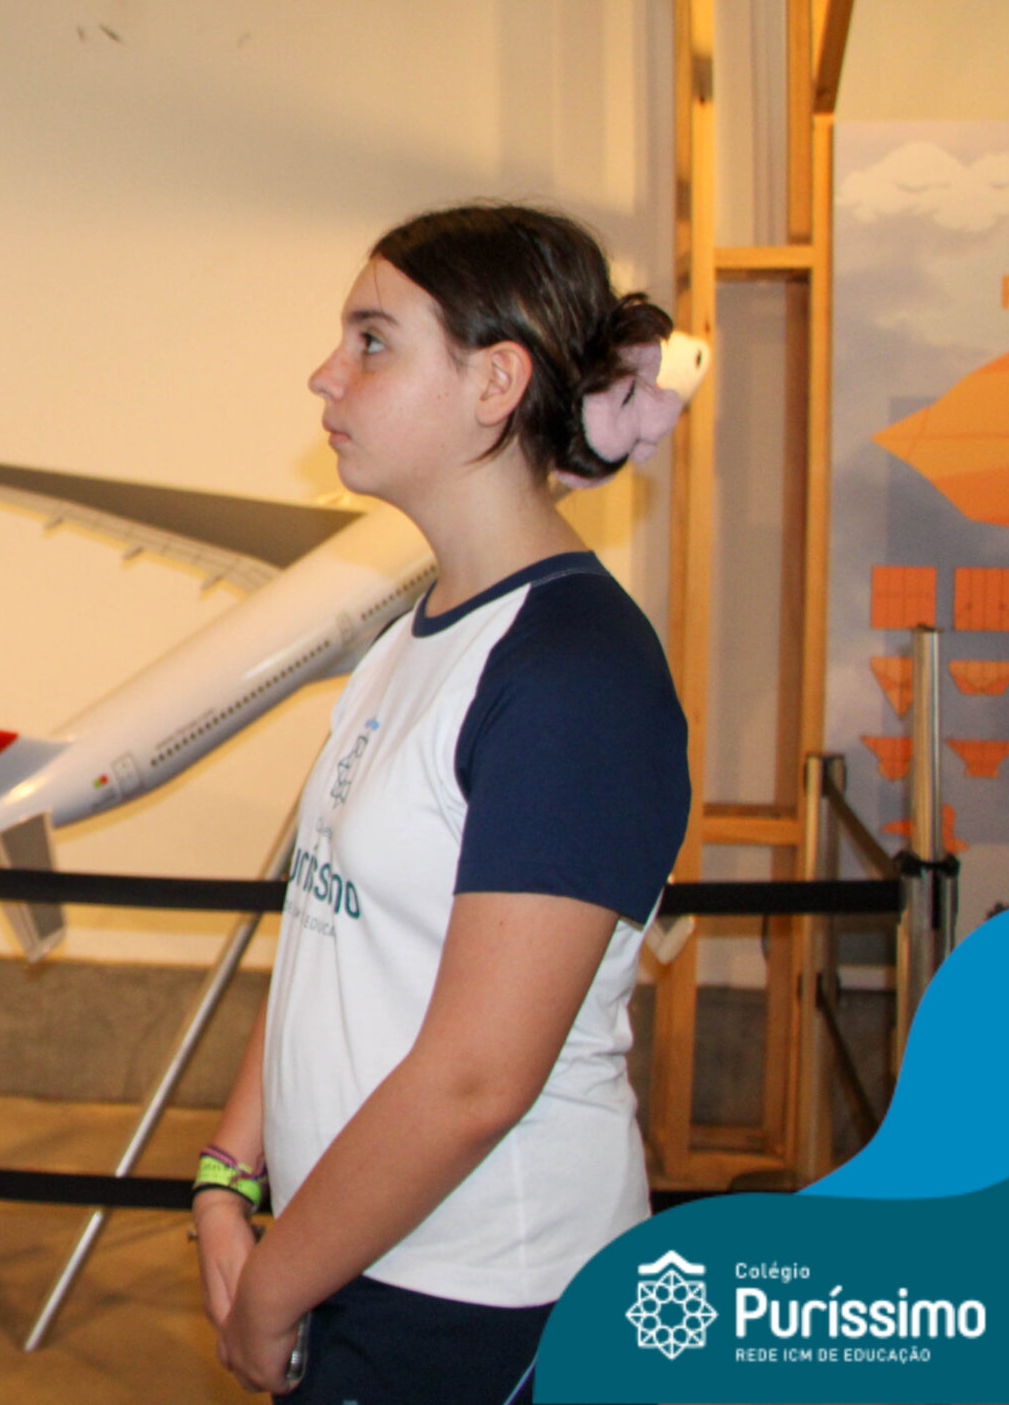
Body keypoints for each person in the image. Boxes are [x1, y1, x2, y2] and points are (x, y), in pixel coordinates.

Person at [193, 204, 693, 1403]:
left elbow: (477, 1080)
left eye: (372, 340)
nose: (326, 374)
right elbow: (329, 931)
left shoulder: (574, 675)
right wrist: (228, 1173)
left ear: (494, 383)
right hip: (351, 1252)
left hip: (482, 1301)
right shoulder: (415, 636)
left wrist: (272, 1290)